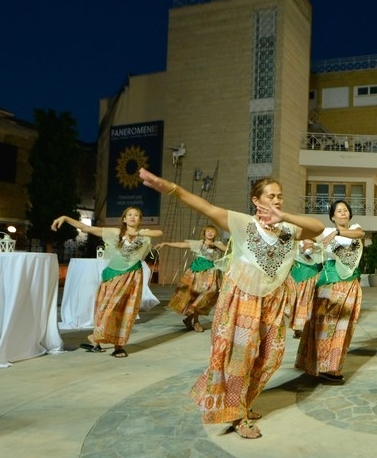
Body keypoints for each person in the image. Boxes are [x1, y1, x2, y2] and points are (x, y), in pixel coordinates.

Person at [139, 169, 324, 439]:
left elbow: (317, 228)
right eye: (270, 196)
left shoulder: (287, 229)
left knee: (271, 356)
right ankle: (237, 414)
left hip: (273, 299)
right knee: (240, 357)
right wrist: (173, 189)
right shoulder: (244, 224)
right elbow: (206, 207)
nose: (277, 200)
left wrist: (282, 216)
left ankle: (242, 403)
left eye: (279, 196)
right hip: (242, 298)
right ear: (256, 200)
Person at [51, 207, 163, 358]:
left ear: (140, 220)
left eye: (136, 215)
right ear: (124, 219)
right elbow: (86, 228)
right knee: (106, 309)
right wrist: (65, 217)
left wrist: (137, 233)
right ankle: (96, 338)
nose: (132, 217)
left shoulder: (144, 235)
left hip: (132, 277)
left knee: (126, 311)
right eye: (129, 215)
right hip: (113, 276)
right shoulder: (115, 233)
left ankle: (119, 346)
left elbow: (159, 233)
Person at [295, 200, 365, 383]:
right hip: (329, 284)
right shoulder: (324, 232)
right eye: (338, 211)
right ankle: (317, 365)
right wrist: (307, 245)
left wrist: (338, 232)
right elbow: (308, 239)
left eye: (345, 210)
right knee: (324, 326)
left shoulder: (354, 228)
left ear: (349, 214)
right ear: (332, 217)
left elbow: (359, 234)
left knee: (343, 328)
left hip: (350, 284)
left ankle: (331, 367)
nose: (342, 213)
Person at [155, 225, 228, 332]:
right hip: (197, 272)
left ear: (216, 234)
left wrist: (215, 244)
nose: (210, 233)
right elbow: (182, 244)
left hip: (211, 273)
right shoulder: (199, 243)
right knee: (195, 295)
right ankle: (196, 322)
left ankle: (189, 319)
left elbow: (227, 250)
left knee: (210, 292)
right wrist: (166, 243)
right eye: (208, 231)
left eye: (212, 231)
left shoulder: (218, 244)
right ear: (204, 233)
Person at [286, 239, 322, 339]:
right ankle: (298, 327)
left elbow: (321, 255)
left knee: (306, 301)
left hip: (311, 273)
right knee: (293, 300)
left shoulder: (317, 239)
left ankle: (301, 328)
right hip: (295, 272)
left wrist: (314, 246)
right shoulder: (296, 238)